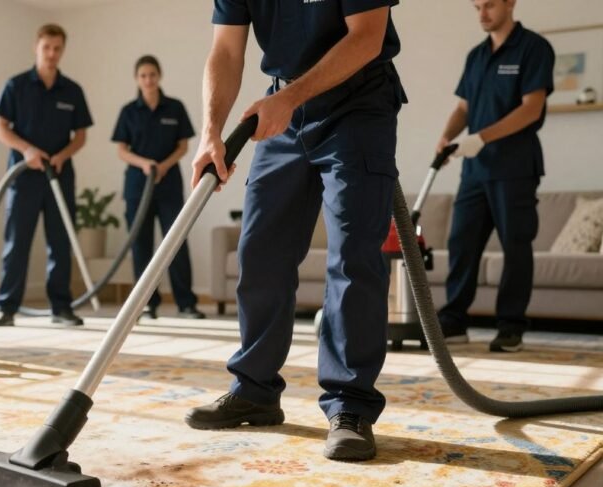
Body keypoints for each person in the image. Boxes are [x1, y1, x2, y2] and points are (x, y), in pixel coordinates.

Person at [184, 0, 406, 462]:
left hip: (357, 104)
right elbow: (225, 50)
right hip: (283, 110)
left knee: (351, 256)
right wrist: (211, 132)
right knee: (260, 251)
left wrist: (289, 98)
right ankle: (255, 389)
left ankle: (350, 406)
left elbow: (366, 36)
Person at [436, 0, 554, 353]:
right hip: (475, 169)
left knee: (515, 246)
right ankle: (454, 321)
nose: (482, 13)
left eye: (489, 5)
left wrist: (482, 136)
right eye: (476, 7)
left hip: (514, 168)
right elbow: (463, 108)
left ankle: (510, 326)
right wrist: (445, 138)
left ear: (509, 3)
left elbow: (531, 109)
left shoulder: (533, 48)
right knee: (462, 242)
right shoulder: (476, 56)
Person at [0, 24, 93, 328]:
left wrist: (63, 154)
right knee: (16, 242)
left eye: (57, 48)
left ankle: (61, 307)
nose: (51, 54)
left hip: (60, 175)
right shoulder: (16, 86)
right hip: (24, 178)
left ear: (63, 50)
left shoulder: (72, 90)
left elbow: (81, 135)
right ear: (36, 47)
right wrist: (27, 150)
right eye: (46, 47)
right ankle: (6, 307)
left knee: (60, 243)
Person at [112, 55, 205, 321]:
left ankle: (186, 303)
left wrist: (163, 165)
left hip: (169, 185)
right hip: (137, 187)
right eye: (143, 76)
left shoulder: (174, 108)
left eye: (152, 74)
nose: (148, 80)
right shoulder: (129, 111)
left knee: (175, 242)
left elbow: (183, 146)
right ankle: (146, 304)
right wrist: (144, 164)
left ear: (159, 75)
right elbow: (121, 150)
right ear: (137, 79)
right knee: (141, 245)